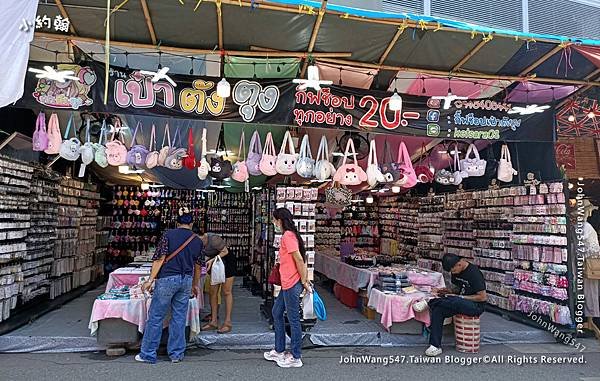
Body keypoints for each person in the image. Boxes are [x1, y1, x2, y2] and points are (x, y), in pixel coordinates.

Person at [135, 207, 204, 364]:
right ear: (192, 223)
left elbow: (160, 259)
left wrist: (150, 279)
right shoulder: (197, 240)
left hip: (167, 278)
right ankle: (176, 354)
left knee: (156, 316)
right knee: (179, 317)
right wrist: (195, 284)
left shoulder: (168, 235)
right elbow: (198, 266)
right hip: (186, 279)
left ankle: (148, 353)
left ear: (177, 222)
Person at [263, 208, 311, 368]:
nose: (273, 223)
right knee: (276, 312)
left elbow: (299, 259)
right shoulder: (290, 236)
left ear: (280, 221)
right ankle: (279, 349)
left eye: (274, 220)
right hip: (287, 283)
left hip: (291, 283)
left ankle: (296, 356)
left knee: (293, 319)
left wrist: (304, 280)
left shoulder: (287, 237)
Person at [424, 253, 487, 357]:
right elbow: (458, 289)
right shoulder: (456, 271)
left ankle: (430, 302)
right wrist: (447, 291)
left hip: (475, 306)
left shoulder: (474, 273)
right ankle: (435, 345)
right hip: (458, 303)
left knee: (455, 300)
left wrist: (460, 297)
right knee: (438, 310)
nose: (453, 273)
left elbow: (482, 297)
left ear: (459, 264)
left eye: (453, 270)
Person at [200, 231, 235, 334]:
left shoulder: (213, 238)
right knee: (213, 292)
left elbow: (225, 251)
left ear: (204, 236)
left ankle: (227, 322)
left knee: (226, 292)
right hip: (213, 265)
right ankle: (213, 321)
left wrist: (212, 260)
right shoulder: (196, 242)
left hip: (227, 263)